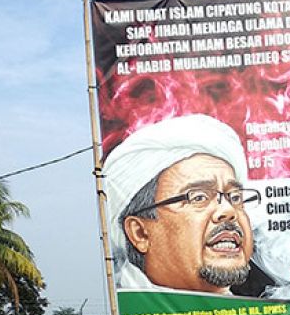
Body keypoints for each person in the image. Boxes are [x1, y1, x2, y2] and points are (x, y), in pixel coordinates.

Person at [103, 114, 277, 296]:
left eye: (234, 197)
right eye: (199, 198)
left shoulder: (265, 308)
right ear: (140, 233)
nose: (228, 210)